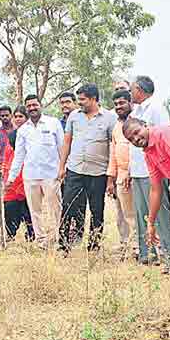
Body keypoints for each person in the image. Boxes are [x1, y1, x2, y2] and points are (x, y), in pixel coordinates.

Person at [123, 118, 170, 273]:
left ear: (146, 125)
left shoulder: (164, 133)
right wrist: (151, 223)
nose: (136, 139)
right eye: (131, 139)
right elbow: (155, 189)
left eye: (136, 132)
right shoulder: (148, 154)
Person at [57, 83, 116, 253]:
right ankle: (63, 245)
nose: (79, 103)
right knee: (68, 207)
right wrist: (62, 167)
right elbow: (67, 142)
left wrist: (111, 175)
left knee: (97, 210)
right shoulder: (74, 116)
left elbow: (113, 145)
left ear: (93, 99)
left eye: (82, 100)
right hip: (75, 170)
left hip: (98, 173)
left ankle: (94, 246)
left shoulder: (109, 118)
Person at [128, 75, 170, 267]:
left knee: (161, 214)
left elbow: (164, 137)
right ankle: (147, 253)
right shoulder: (136, 111)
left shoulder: (156, 109)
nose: (130, 93)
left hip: (155, 170)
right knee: (143, 214)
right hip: (139, 170)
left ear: (140, 90)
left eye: (132, 89)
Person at [6, 94, 64, 250]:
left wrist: (63, 169)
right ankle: (41, 240)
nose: (32, 108)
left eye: (34, 105)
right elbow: (19, 155)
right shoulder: (23, 130)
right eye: (29, 106)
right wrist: (11, 177)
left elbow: (61, 148)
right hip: (31, 176)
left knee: (55, 209)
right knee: (35, 210)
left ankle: (58, 237)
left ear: (41, 105)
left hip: (51, 175)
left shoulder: (53, 123)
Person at [106, 90, 136, 254]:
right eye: (116, 104)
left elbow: (137, 151)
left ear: (131, 103)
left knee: (134, 213)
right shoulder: (116, 126)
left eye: (122, 103)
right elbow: (113, 153)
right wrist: (110, 180)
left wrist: (131, 172)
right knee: (121, 214)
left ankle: (139, 246)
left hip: (135, 174)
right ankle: (125, 243)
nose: (119, 107)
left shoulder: (137, 123)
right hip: (120, 176)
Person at [0, 106, 35, 242]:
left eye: (21, 116)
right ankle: (10, 235)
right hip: (12, 179)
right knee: (10, 208)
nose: (18, 119)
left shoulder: (32, 134)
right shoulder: (12, 136)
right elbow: (6, 157)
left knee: (29, 210)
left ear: (27, 118)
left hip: (27, 176)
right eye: (16, 116)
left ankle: (32, 235)